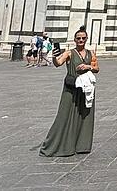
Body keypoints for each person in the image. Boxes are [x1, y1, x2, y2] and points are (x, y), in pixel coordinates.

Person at [40, 27, 99, 156]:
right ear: (74, 40)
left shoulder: (91, 53)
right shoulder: (69, 53)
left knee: (85, 115)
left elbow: (96, 68)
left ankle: (81, 145)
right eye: (78, 38)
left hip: (86, 88)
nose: (81, 40)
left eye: (83, 38)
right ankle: (56, 145)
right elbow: (58, 63)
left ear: (87, 39)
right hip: (71, 87)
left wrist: (88, 66)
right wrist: (55, 56)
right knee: (64, 114)